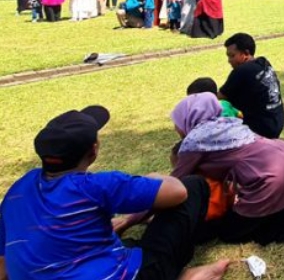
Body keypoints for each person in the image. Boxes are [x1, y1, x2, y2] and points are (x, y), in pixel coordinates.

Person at [0, 106, 231, 280]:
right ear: (94, 150)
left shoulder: (18, 189)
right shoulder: (97, 186)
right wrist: (152, 177)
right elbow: (177, 192)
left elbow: (3, 265)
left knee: (128, 243)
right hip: (123, 275)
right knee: (194, 185)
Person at [169, 93, 284, 245]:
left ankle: (274, 212)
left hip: (272, 175)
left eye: (177, 122)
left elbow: (175, 182)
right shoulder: (228, 122)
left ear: (188, 118)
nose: (176, 127)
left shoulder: (194, 142)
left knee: (228, 233)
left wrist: (147, 209)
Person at [219, 33, 284, 138]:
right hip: (277, 119)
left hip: (262, 127)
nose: (229, 60)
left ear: (246, 53)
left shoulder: (241, 71)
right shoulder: (263, 62)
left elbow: (220, 97)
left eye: (232, 55)